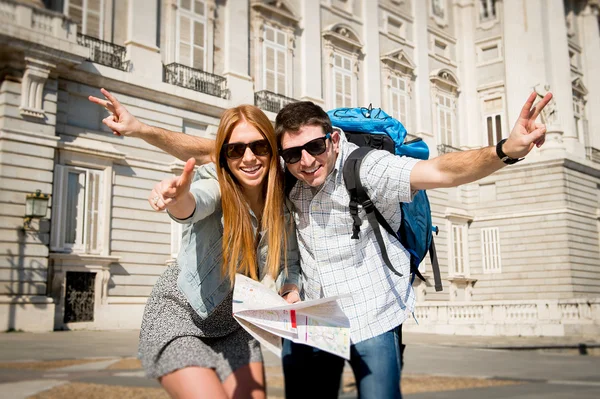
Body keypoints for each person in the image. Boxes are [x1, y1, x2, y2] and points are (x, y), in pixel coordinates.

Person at [90, 89, 552, 398]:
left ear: (332, 139)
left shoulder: (365, 167)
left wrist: (506, 149)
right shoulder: (277, 174)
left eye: (314, 148)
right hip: (312, 319)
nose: (305, 162)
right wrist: (144, 135)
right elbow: (213, 157)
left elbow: (442, 171)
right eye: (292, 154)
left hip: (372, 313)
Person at [136, 104, 301, 399]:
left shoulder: (282, 201)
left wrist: (290, 289)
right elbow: (193, 205)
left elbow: (288, 262)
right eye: (236, 150)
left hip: (234, 326)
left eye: (259, 146)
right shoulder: (215, 185)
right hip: (181, 317)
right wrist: (178, 197)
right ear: (224, 156)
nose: (249, 157)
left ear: (272, 151)